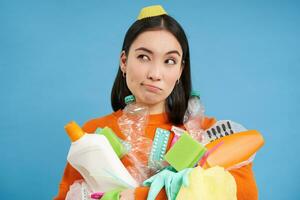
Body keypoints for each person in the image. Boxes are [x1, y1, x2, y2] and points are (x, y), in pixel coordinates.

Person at [54, 5, 258, 200]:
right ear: (124, 62)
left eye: (169, 61)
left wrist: (143, 196)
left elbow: (242, 195)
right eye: (144, 57)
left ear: (180, 70)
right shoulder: (94, 134)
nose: (155, 74)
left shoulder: (208, 134)